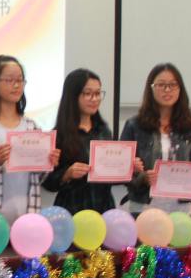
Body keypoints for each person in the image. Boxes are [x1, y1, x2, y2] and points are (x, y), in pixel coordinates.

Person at [0, 55, 60, 224]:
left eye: (20, 80)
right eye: (9, 80)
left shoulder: (32, 127)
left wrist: (48, 163)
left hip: (28, 219)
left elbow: (37, 179)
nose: (16, 85)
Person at [42, 68, 140, 213]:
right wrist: (67, 174)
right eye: (88, 94)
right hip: (73, 209)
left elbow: (110, 173)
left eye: (98, 93)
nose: (94, 99)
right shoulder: (58, 134)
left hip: (104, 208)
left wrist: (128, 166)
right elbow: (47, 182)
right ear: (73, 96)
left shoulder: (103, 131)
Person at [119, 63, 191, 215]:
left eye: (173, 85)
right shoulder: (135, 125)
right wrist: (143, 178)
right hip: (145, 207)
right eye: (161, 85)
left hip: (181, 209)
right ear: (151, 88)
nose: (167, 90)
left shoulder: (190, 126)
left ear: (180, 89)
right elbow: (121, 170)